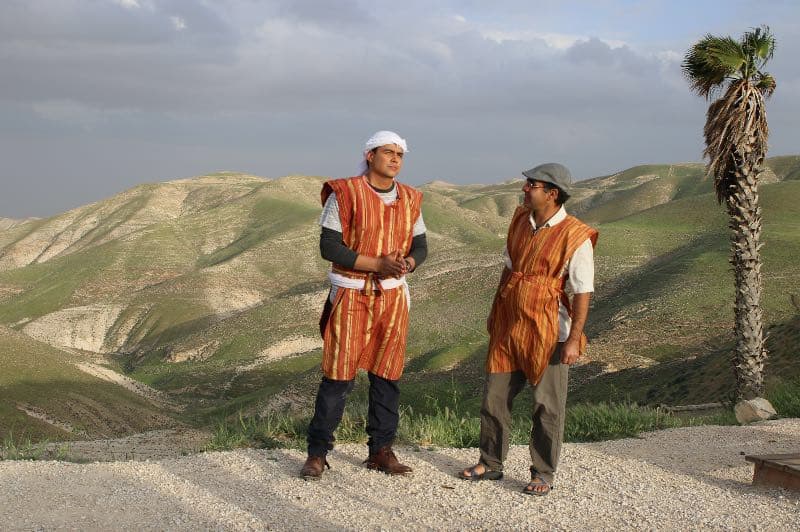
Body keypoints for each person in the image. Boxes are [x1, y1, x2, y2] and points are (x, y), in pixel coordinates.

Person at [458, 163, 598, 496]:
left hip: (549, 330)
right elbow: (509, 269)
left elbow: (582, 291)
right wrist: (497, 314)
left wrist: (574, 339)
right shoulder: (520, 221)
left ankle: (543, 472)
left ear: (552, 194)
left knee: (547, 405)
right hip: (509, 325)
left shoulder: (576, 236)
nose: (524, 189)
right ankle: (490, 463)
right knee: (494, 396)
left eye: (531, 185)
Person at [301, 130, 427, 480]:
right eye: (388, 152)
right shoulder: (345, 193)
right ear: (370, 155)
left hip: (393, 296)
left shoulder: (412, 199)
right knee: (338, 375)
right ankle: (318, 452)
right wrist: (377, 264)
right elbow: (330, 246)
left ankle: (381, 451)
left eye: (400, 154)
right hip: (352, 293)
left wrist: (408, 265)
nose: (395, 159)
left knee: (388, 374)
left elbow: (421, 246)